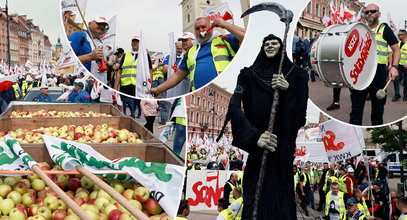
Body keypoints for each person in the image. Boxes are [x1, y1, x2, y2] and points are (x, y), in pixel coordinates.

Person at [222, 34, 308, 219]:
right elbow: (234, 106)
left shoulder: (298, 75)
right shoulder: (248, 75)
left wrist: (288, 90)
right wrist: (254, 136)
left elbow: (300, 116)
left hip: (282, 151)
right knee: (255, 201)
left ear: (281, 47)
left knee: (280, 202)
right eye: (266, 43)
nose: (269, 46)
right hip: (258, 149)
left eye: (274, 43)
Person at [149, 17, 245, 95]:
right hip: (199, 93)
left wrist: (225, 24)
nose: (201, 30)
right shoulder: (191, 51)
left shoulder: (225, 39)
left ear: (211, 27)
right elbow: (178, 75)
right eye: (197, 29)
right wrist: (158, 89)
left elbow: (245, 36)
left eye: (203, 27)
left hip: (224, 89)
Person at [349, 4, 400, 125]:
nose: (369, 14)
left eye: (372, 11)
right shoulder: (359, 28)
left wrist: (394, 67)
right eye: (366, 12)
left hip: (378, 72)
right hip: (360, 71)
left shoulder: (384, 28)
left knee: (378, 109)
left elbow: (396, 49)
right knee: (356, 109)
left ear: (379, 14)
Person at [68, 16, 109, 83]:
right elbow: (67, 61)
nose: (102, 27)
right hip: (85, 82)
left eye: (104, 25)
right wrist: (90, 57)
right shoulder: (79, 35)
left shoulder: (101, 42)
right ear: (89, 24)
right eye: (99, 23)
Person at [393, 29, 407, 101]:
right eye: (398, 35)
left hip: (406, 66)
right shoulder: (398, 44)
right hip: (399, 65)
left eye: (400, 35)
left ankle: (406, 95)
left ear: (405, 35)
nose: (399, 36)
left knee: (406, 82)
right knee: (396, 80)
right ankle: (397, 94)